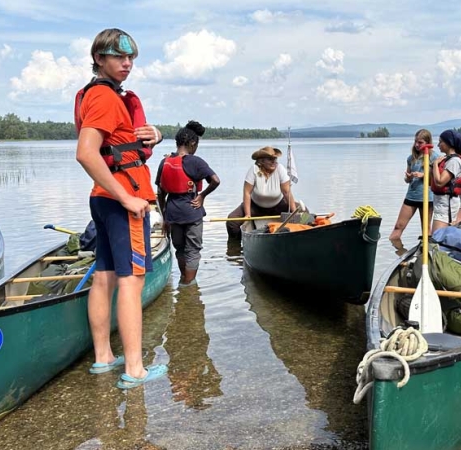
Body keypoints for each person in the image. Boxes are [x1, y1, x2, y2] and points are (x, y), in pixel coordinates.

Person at [74, 28, 166, 389]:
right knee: (131, 280)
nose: (127, 64)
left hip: (102, 198)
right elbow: (86, 153)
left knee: (105, 274)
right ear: (99, 58)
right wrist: (128, 198)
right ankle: (135, 368)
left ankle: (103, 357)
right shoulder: (106, 98)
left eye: (131, 58)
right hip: (122, 200)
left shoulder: (95, 94)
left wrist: (154, 135)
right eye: (118, 57)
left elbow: (119, 144)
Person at [155, 121, 220, 287]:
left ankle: (184, 279)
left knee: (180, 248)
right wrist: (203, 195)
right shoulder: (196, 162)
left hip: (172, 213)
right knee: (193, 250)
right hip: (192, 210)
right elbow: (215, 181)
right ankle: (189, 284)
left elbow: (161, 192)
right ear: (192, 143)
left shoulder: (165, 162)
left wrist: (164, 217)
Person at [226, 146, 296, 239]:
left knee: (304, 213)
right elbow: (247, 192)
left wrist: (294, 211)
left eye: (275, 159)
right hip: (255, 206)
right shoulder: (254, 169)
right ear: (261, 161)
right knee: (231, 222)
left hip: (278, 205)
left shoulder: (280, 169)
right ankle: (237, 245)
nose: (273, 162)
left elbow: (287, 192)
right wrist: (247, 214)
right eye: (270, 159)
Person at [389, 129, 434, 242]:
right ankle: (398, 251)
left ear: (427, 142)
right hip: (411, 196)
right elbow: (407, 179)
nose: (417, 145)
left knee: (426, 230)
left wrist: (423, 175)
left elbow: (437, 179)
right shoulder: (411, 158)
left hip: (427, 197)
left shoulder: (434, 157)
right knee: (398, 226)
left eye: (420, 142)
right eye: (415, 142)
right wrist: (408, 177)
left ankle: (425, 254)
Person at [430, 129, 461, 231]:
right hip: (441, 203)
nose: (438, 145)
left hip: (446, 205)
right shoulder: (447, 159)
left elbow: (440, 182)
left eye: (441, 142)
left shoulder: (454, 161)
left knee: (437, 237)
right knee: (439, 236)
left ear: (449, 143)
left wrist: (436, 165)